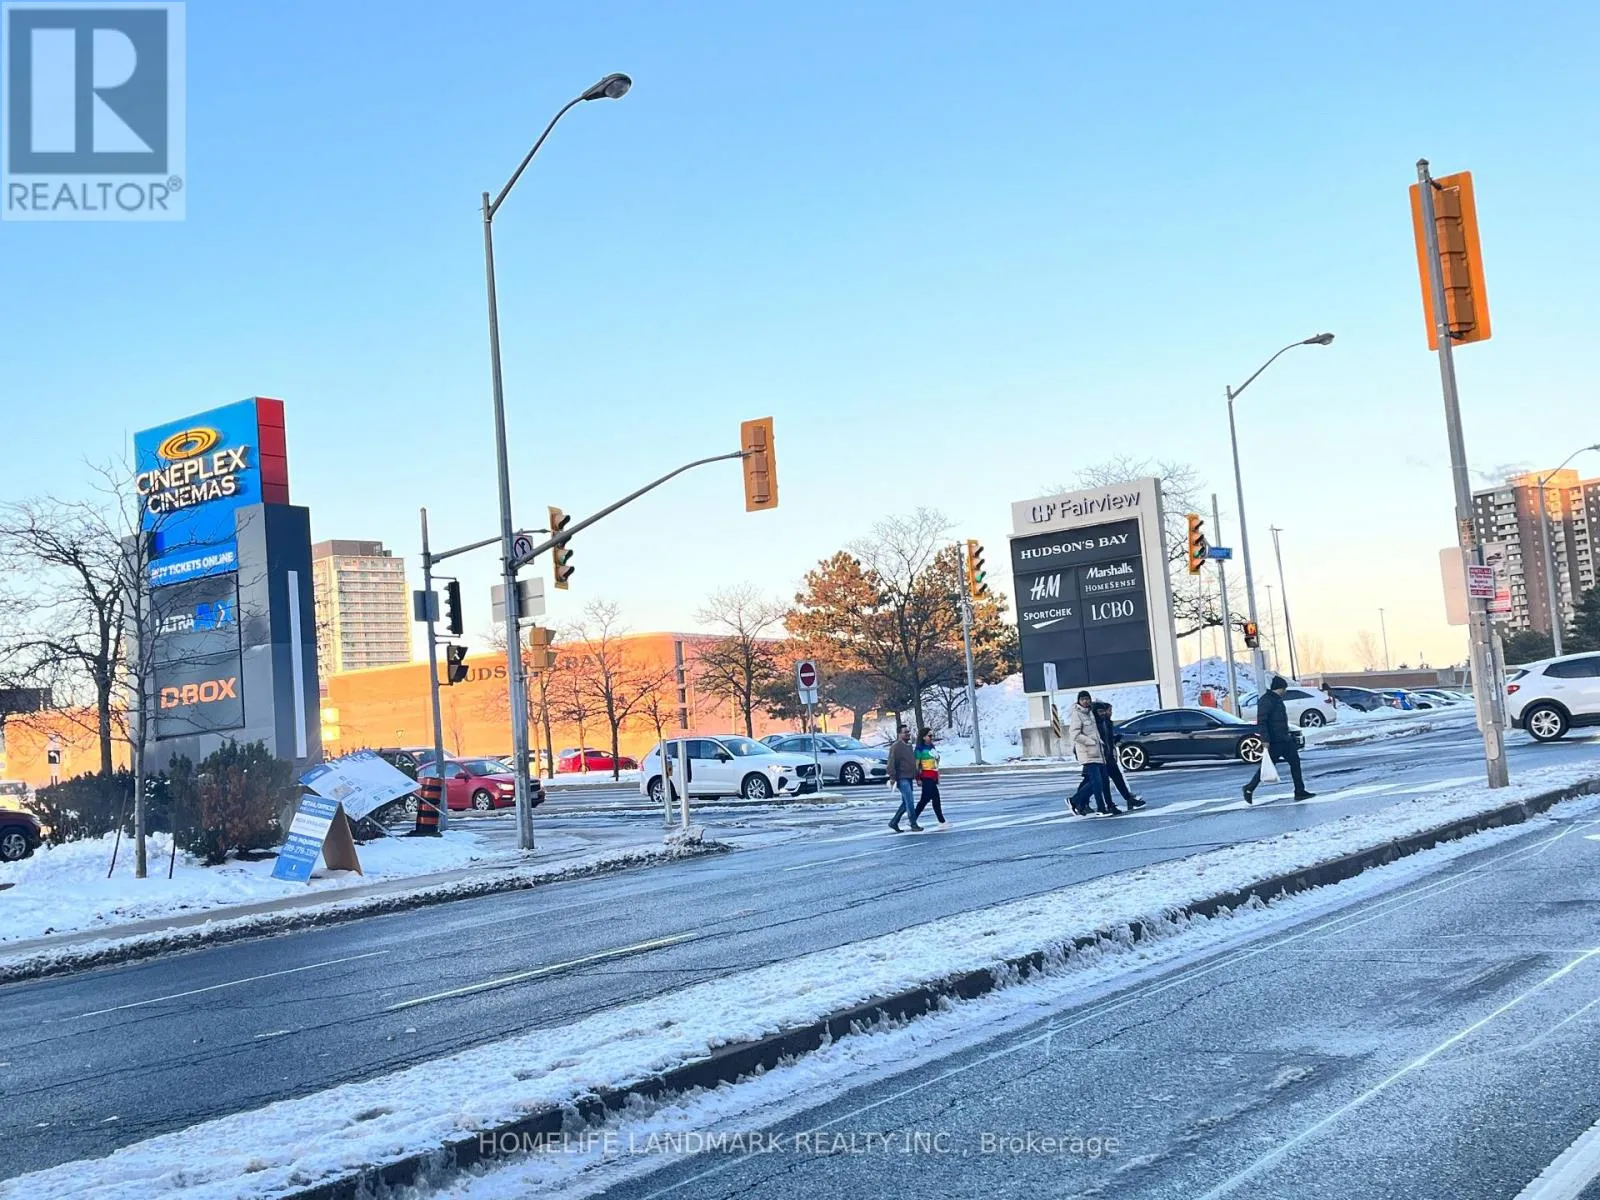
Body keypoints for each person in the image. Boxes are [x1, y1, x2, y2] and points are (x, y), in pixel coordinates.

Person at [1244, 675, 1315, 803]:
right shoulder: (1267, 701)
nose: (1285, 691)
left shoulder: (1277, 700)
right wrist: (1265, 740)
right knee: (1267, 765)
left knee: (1295, 762)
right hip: (1274, 741)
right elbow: (1262, 721)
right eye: (1284, 689)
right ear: (1279, 688)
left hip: (1284, 739)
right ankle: (1249, 788)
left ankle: (1299, 791)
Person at [1066, 691, 1118, 815]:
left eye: (1087, 699)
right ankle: (1098, 808)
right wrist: (1091, 742)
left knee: (1103, 780)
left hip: (1099, 752)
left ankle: (1077, 801)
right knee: (1096, 782)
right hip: (1088, 753)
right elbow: (1075, 734)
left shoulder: (1091, 713)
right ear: (1079, 701)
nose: (1085, 701)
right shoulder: (1077, 714)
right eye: (1082, 699)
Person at [1094, 701, 1145, 810]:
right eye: (1103, 711)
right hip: (1100, 757)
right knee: (1096, 783)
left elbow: (1108, 739)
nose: (1107, 713)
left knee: (1117, 778)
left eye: (1106, 711)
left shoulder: (1106, 723)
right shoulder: (1095, 724)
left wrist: (1114, 740)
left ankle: (1129, 799)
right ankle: (1079, 801)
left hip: (1109, 756)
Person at [887, 726, 922, 832]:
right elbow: (891, 762)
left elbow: (912, 762)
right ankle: (913, 823)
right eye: (905, 732)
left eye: (908, 732)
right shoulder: (896, 747)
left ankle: (894, 822)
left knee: (905, 803)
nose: (908, 734)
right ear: (899, 734)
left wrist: (917, 776)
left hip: (909, 777)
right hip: (901, 778)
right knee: (910, 801)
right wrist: (892, 777)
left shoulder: (909, 746)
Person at [911, 727, 948, 829]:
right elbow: (916, 765)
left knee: (931, 799)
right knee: (928, 799)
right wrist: (918, 778)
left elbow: (935, 761)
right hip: (925, 776)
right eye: (929, 736)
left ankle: (941, 820)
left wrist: (937, 760)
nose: (931, 738)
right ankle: (941, 820)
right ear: (923, 737)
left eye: (932, 736)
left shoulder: (931, 747)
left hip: (933, 775)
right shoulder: (919, 749)